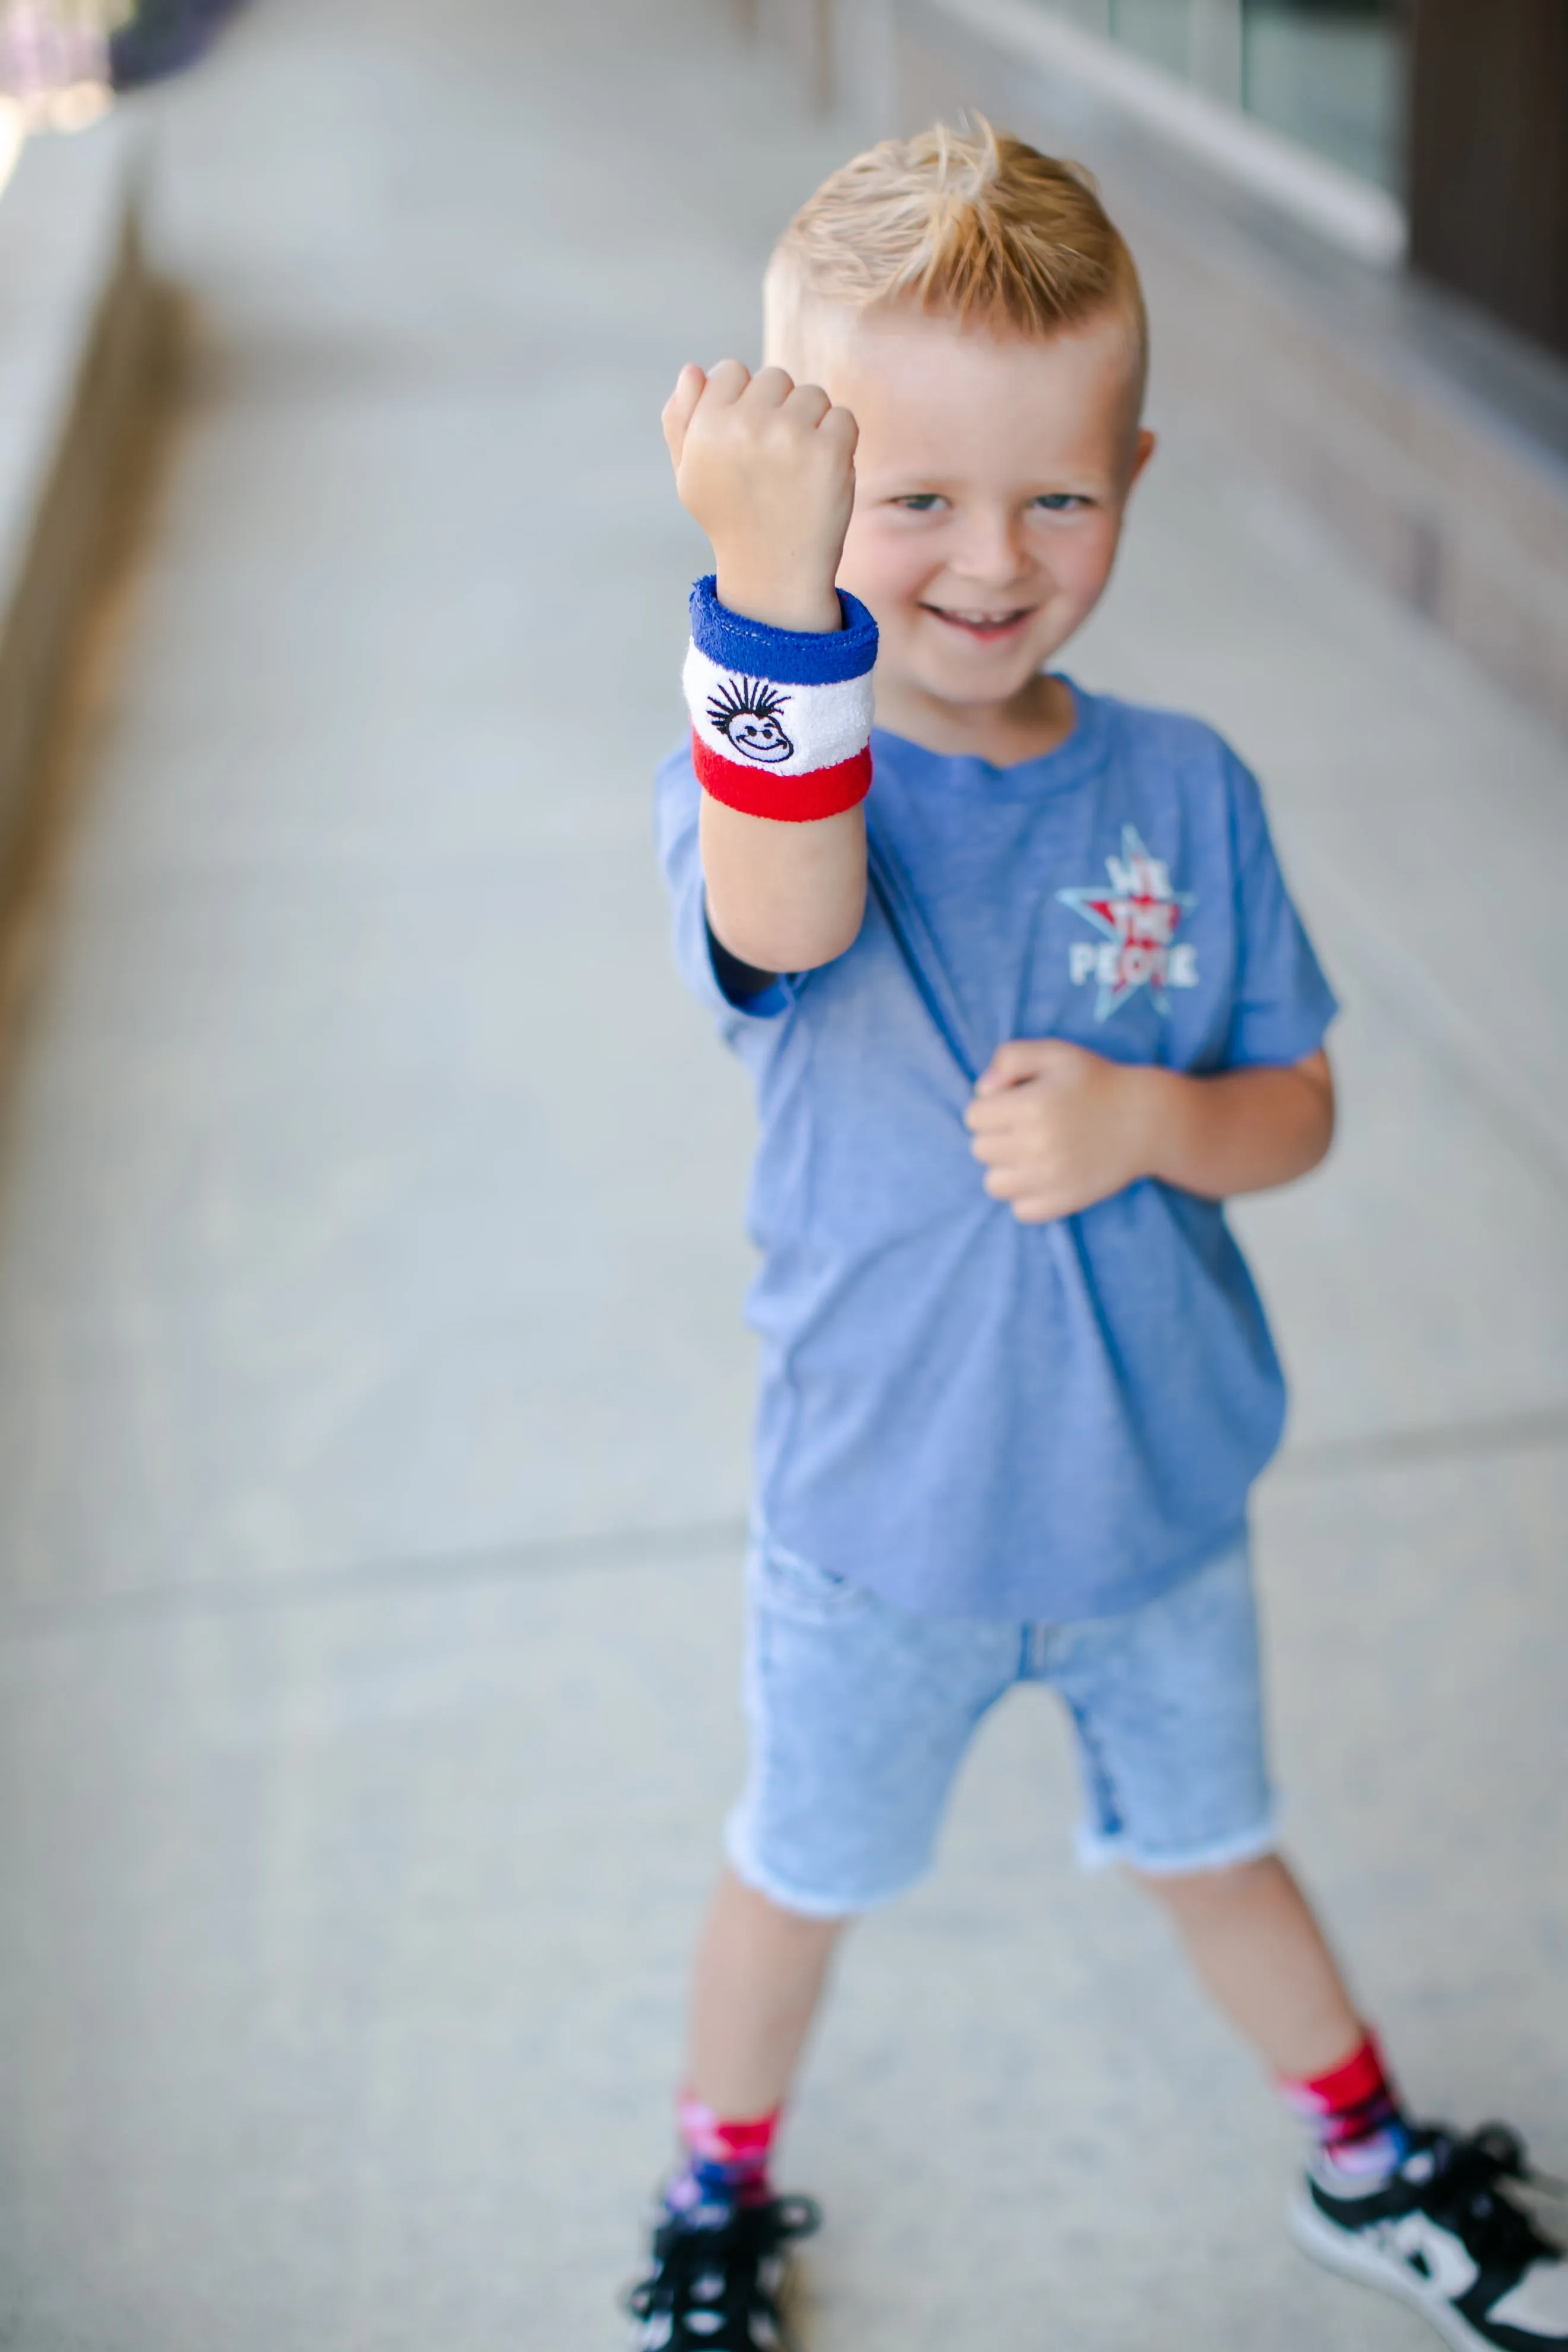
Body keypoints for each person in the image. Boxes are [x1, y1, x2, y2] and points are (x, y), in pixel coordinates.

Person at [627, 120, 1566, 2352]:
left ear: (1134, 472)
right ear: (807, 509)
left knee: (1221, 1840)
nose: (989, 558)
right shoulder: (780, 767)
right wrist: (773, 590)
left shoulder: (1186, 790)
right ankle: (714, 2191)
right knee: (803, 1872)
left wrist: (1158, 1118)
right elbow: (779, 906)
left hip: (1153, 1505)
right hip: (885, 1524)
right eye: (909, 498)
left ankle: (1361, 2154)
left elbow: (1302, 1109)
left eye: (1059, 493)